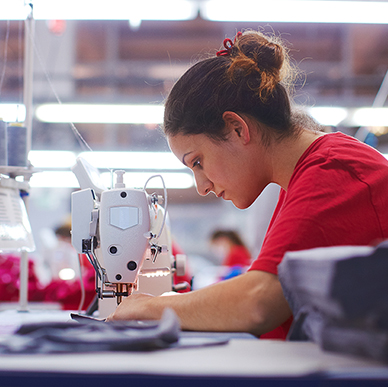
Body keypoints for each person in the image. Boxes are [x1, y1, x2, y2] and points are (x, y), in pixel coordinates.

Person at [106, 30, 388, 339]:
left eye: (197, 162)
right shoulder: (301, 178)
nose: (201, 187)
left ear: (237, 128)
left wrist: (147, 307)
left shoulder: (334, 171)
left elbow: (257, 303)